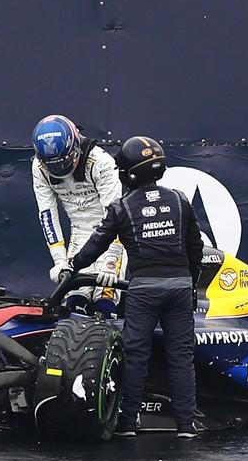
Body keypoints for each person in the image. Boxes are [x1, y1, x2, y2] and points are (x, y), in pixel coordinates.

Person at [66, 136, 204, 439]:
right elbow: (197, 249)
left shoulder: (122, 207)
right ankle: (186, 425)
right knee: (182, 357)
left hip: (143, 290)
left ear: (128, 174)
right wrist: (190, 285)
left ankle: (128, 424)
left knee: (136, 355)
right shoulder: (181, 200)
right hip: (180, 287)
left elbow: (96, 246)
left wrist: (72, 265)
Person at [31, 114, 123, 317]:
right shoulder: (38, 167)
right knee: (73, 302)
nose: (58, 169)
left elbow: (117, 215)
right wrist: (59, 260)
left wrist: (111, 260)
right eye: (51, 165)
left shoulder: (101, 162)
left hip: (111, 235)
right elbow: (47, 214)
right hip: (79, 233)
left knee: (104, 301)